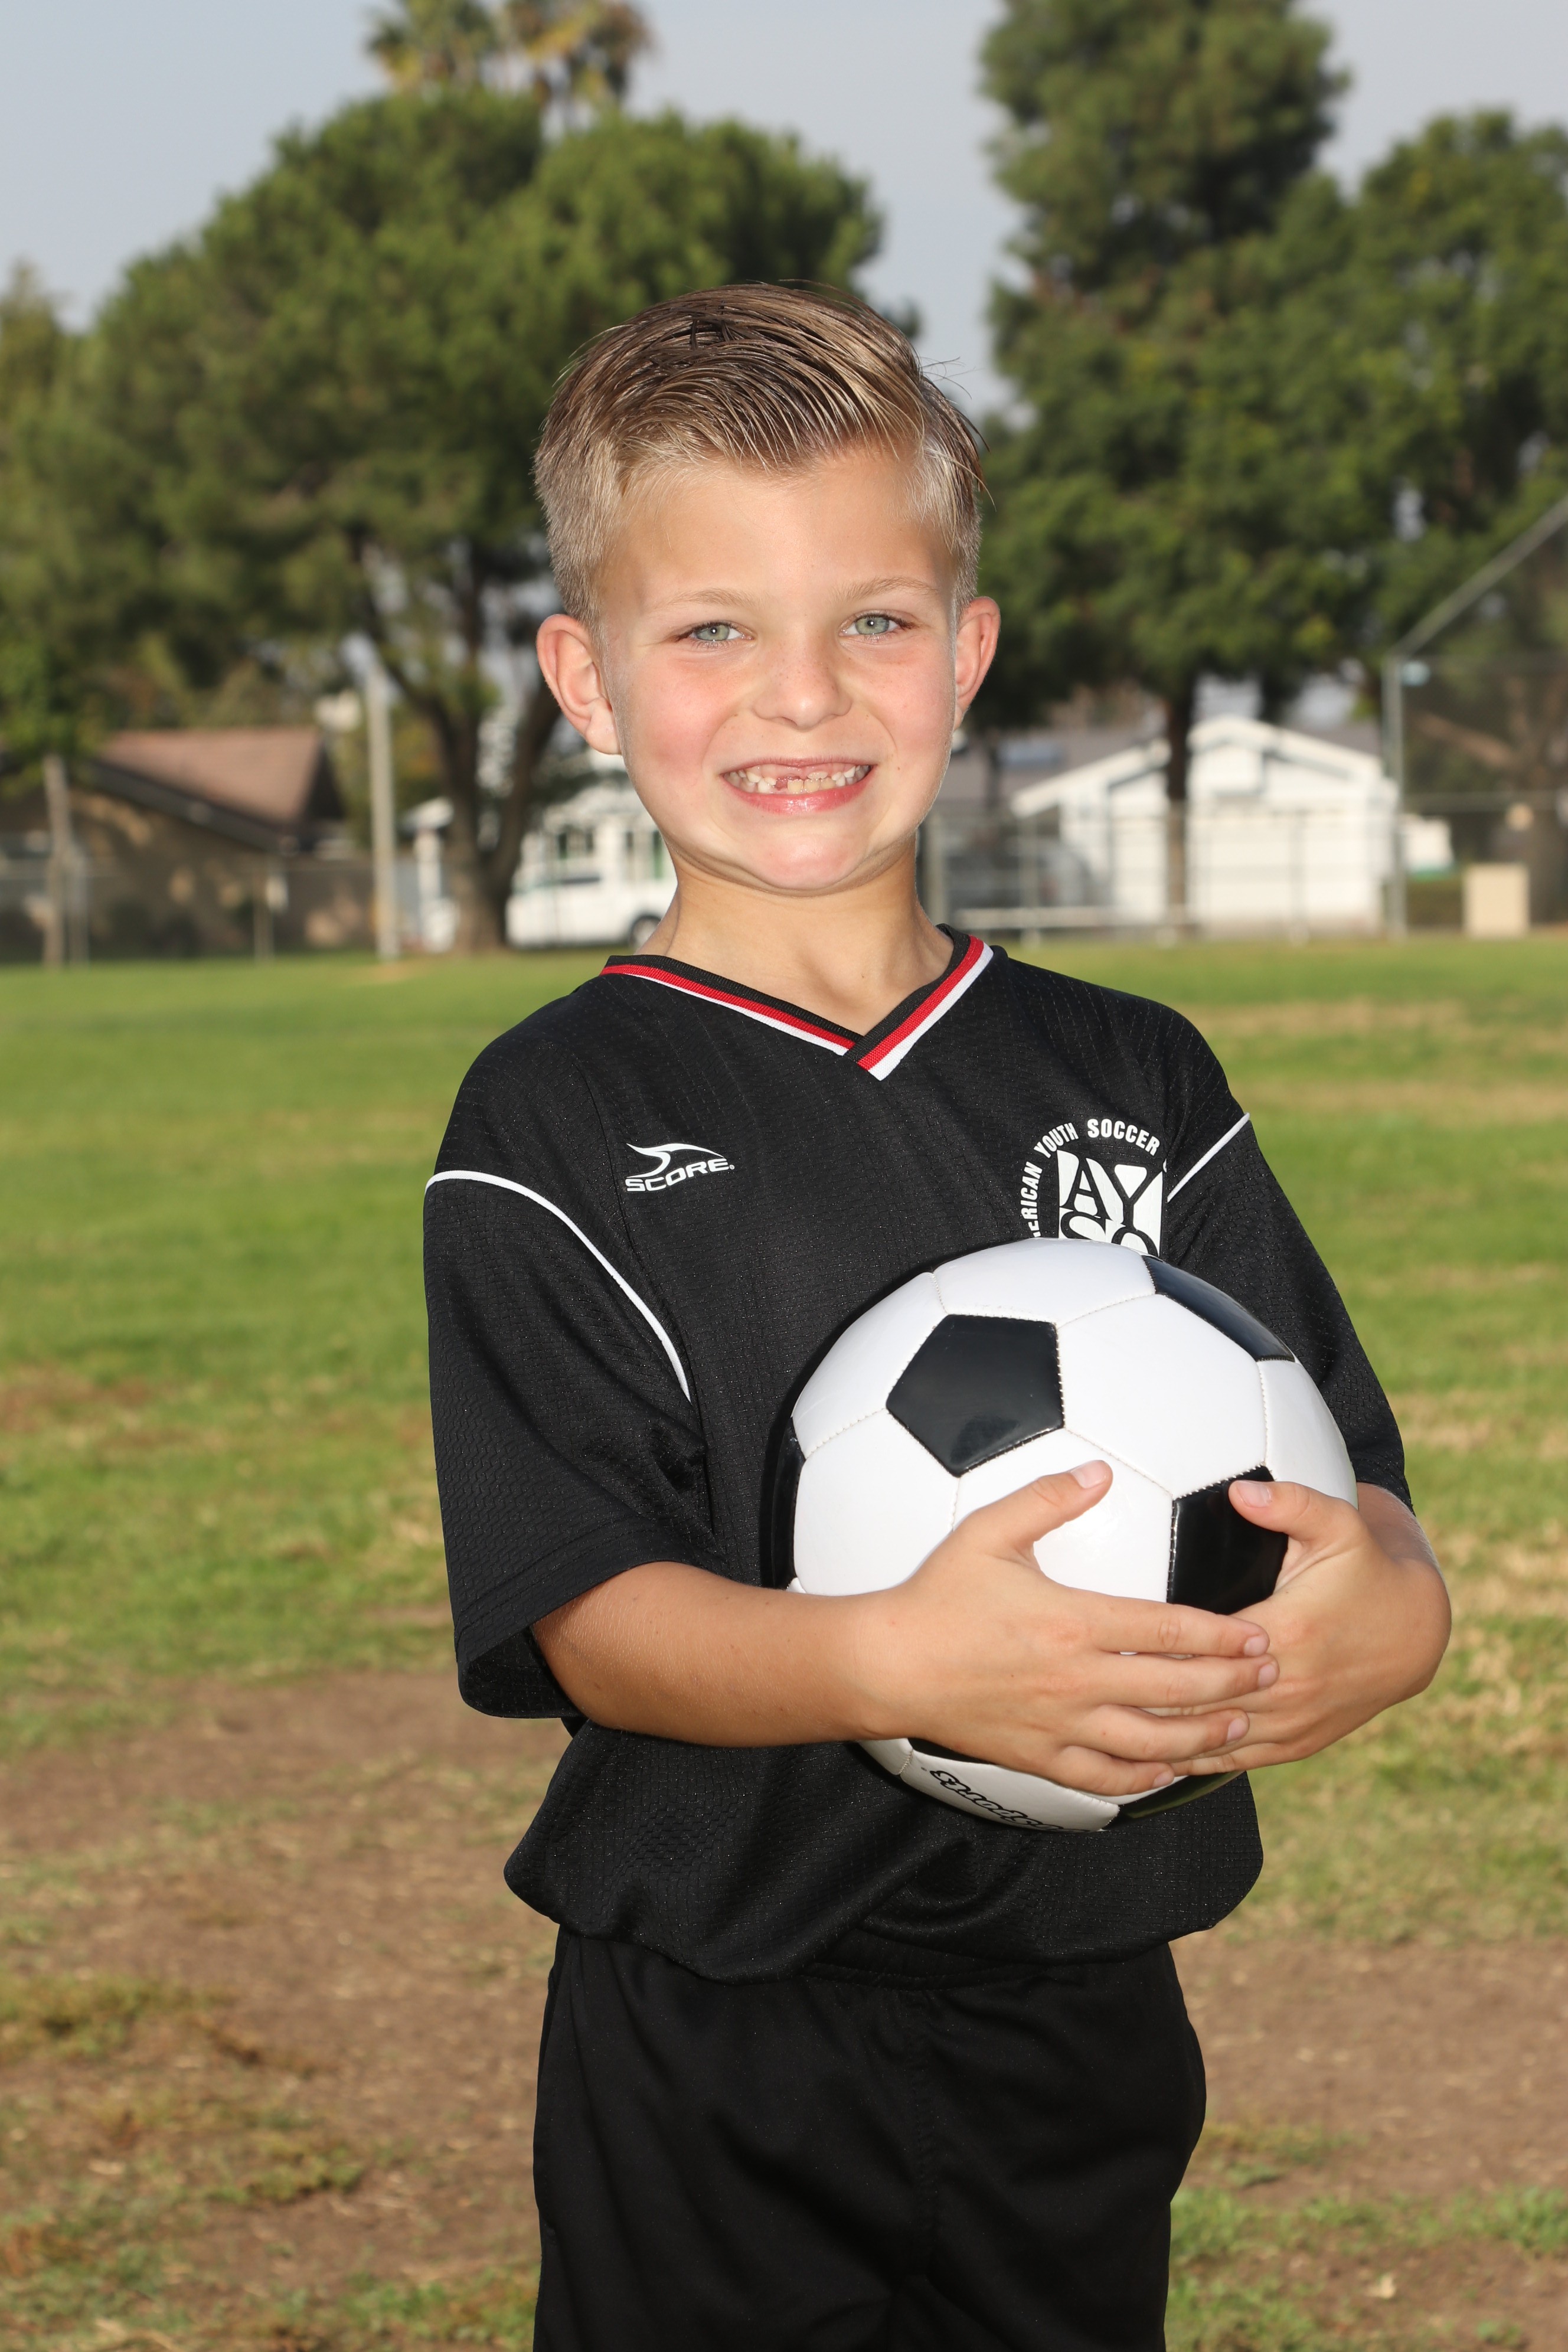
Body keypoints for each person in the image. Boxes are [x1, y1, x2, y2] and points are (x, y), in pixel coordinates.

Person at [424, 285, 1449, 2351]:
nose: (801, 696)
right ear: (587, 680)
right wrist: (892, 1657)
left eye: (873, 621)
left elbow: (1345, 1477)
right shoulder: (553, 1118)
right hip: (721, 2017)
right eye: (713, 631)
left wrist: (1392, 1618)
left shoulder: (1133, 1072)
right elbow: (587, 1610)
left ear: (967, 654)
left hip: (1082, 1997)